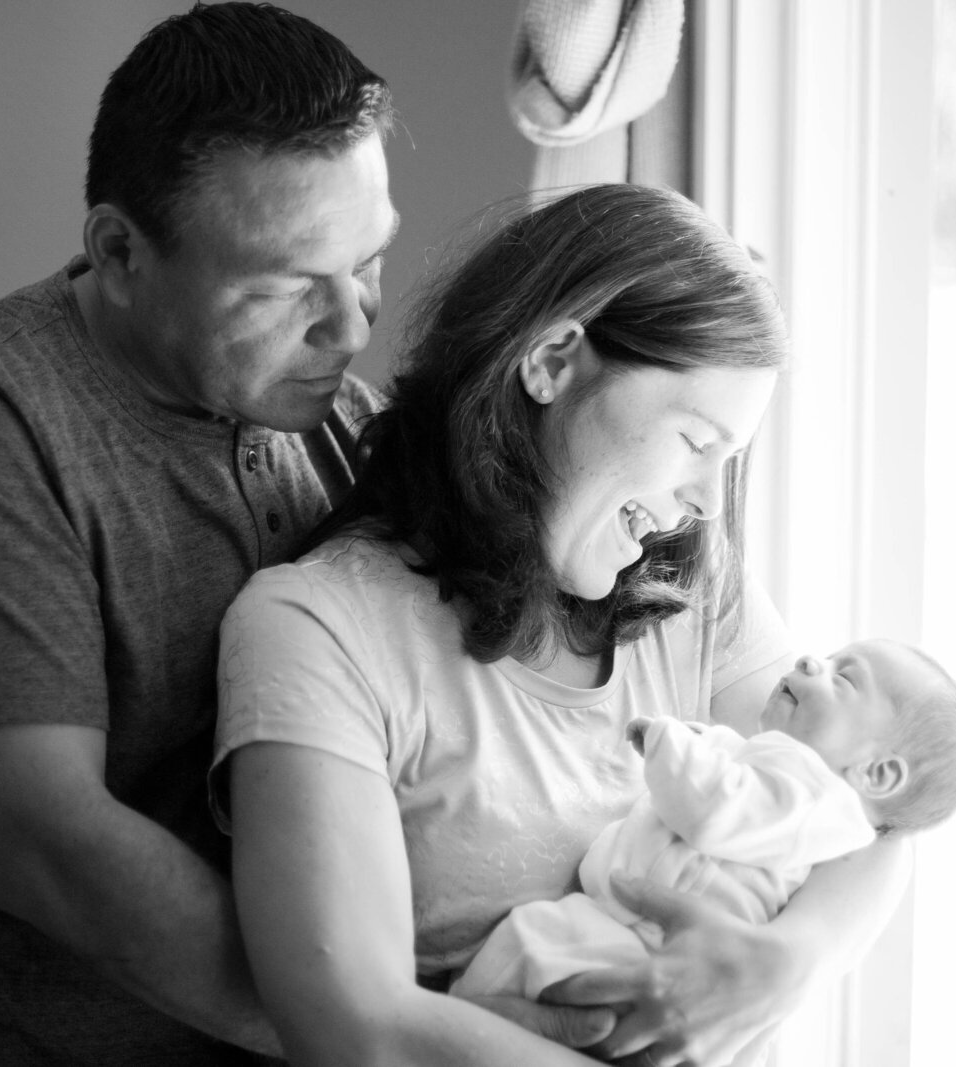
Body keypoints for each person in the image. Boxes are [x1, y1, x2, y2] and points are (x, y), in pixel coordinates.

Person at [0, 5, 411, 1063]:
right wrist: (379, 1029)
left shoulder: (337, 421)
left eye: (367, 262)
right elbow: (45, 846)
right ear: (119, 251)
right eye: (281, 287)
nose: (352, 328)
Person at [213, 183, 916, 1067]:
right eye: (698, 443)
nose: (703, 504)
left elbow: (875, 813)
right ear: (551, 360)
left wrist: (791, 960)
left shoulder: (687, 591)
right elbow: (355, 1024)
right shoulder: (319, 630)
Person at [449, 638, 956, 1003]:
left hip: (652, 951)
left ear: (878, 774)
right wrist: (703, 741)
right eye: (826, 656)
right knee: (530, 954)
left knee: (531, 944)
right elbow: (739, 768)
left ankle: (454, 1020)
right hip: (631, 933)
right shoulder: (790, 784)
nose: (810, 662)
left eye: (843, 680)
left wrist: (669, 744)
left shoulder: (817, 802)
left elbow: (718, 810)